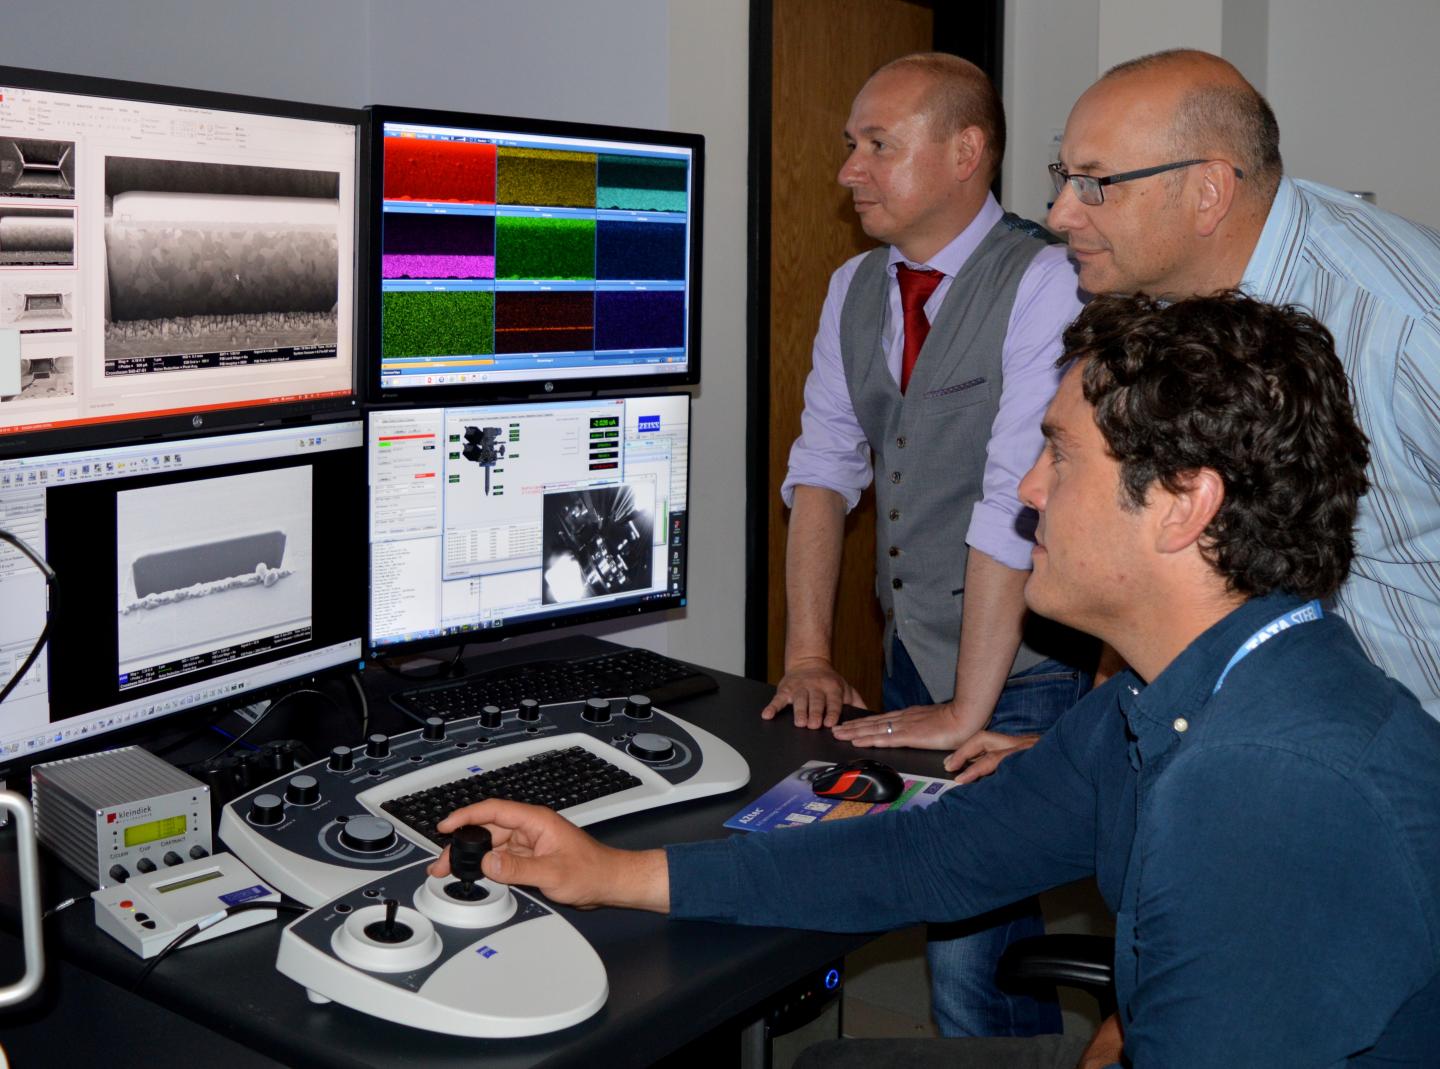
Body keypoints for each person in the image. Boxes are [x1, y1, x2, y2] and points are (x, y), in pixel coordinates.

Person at [430, 292, 1440, 1067]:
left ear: (1182, 504)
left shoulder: (1266, 786)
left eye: (1057, 454)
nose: (1029, 490)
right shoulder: (1180, 689)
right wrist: (610, 871)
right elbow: (937, 855)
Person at [758, 51, 1090, 1037]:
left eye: (877, 146)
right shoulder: (855, 287)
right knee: (964, 910)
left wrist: (969, 706)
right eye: (851, 146)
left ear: (964, 153)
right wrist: (811, 653)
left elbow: (1011, 501)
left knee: (967, 951)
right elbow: (822, 469)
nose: (849, 170)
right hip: (917, 649)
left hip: (1022, 664)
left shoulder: (1044, 280)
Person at [1043, 47, 1440, 721]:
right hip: (1256, 750)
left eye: (1096, 182)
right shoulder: (1160, 298)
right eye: (1064, 177)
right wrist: (1088, 756)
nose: (1058, 214)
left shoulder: (1402, 320)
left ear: (1208, 192)